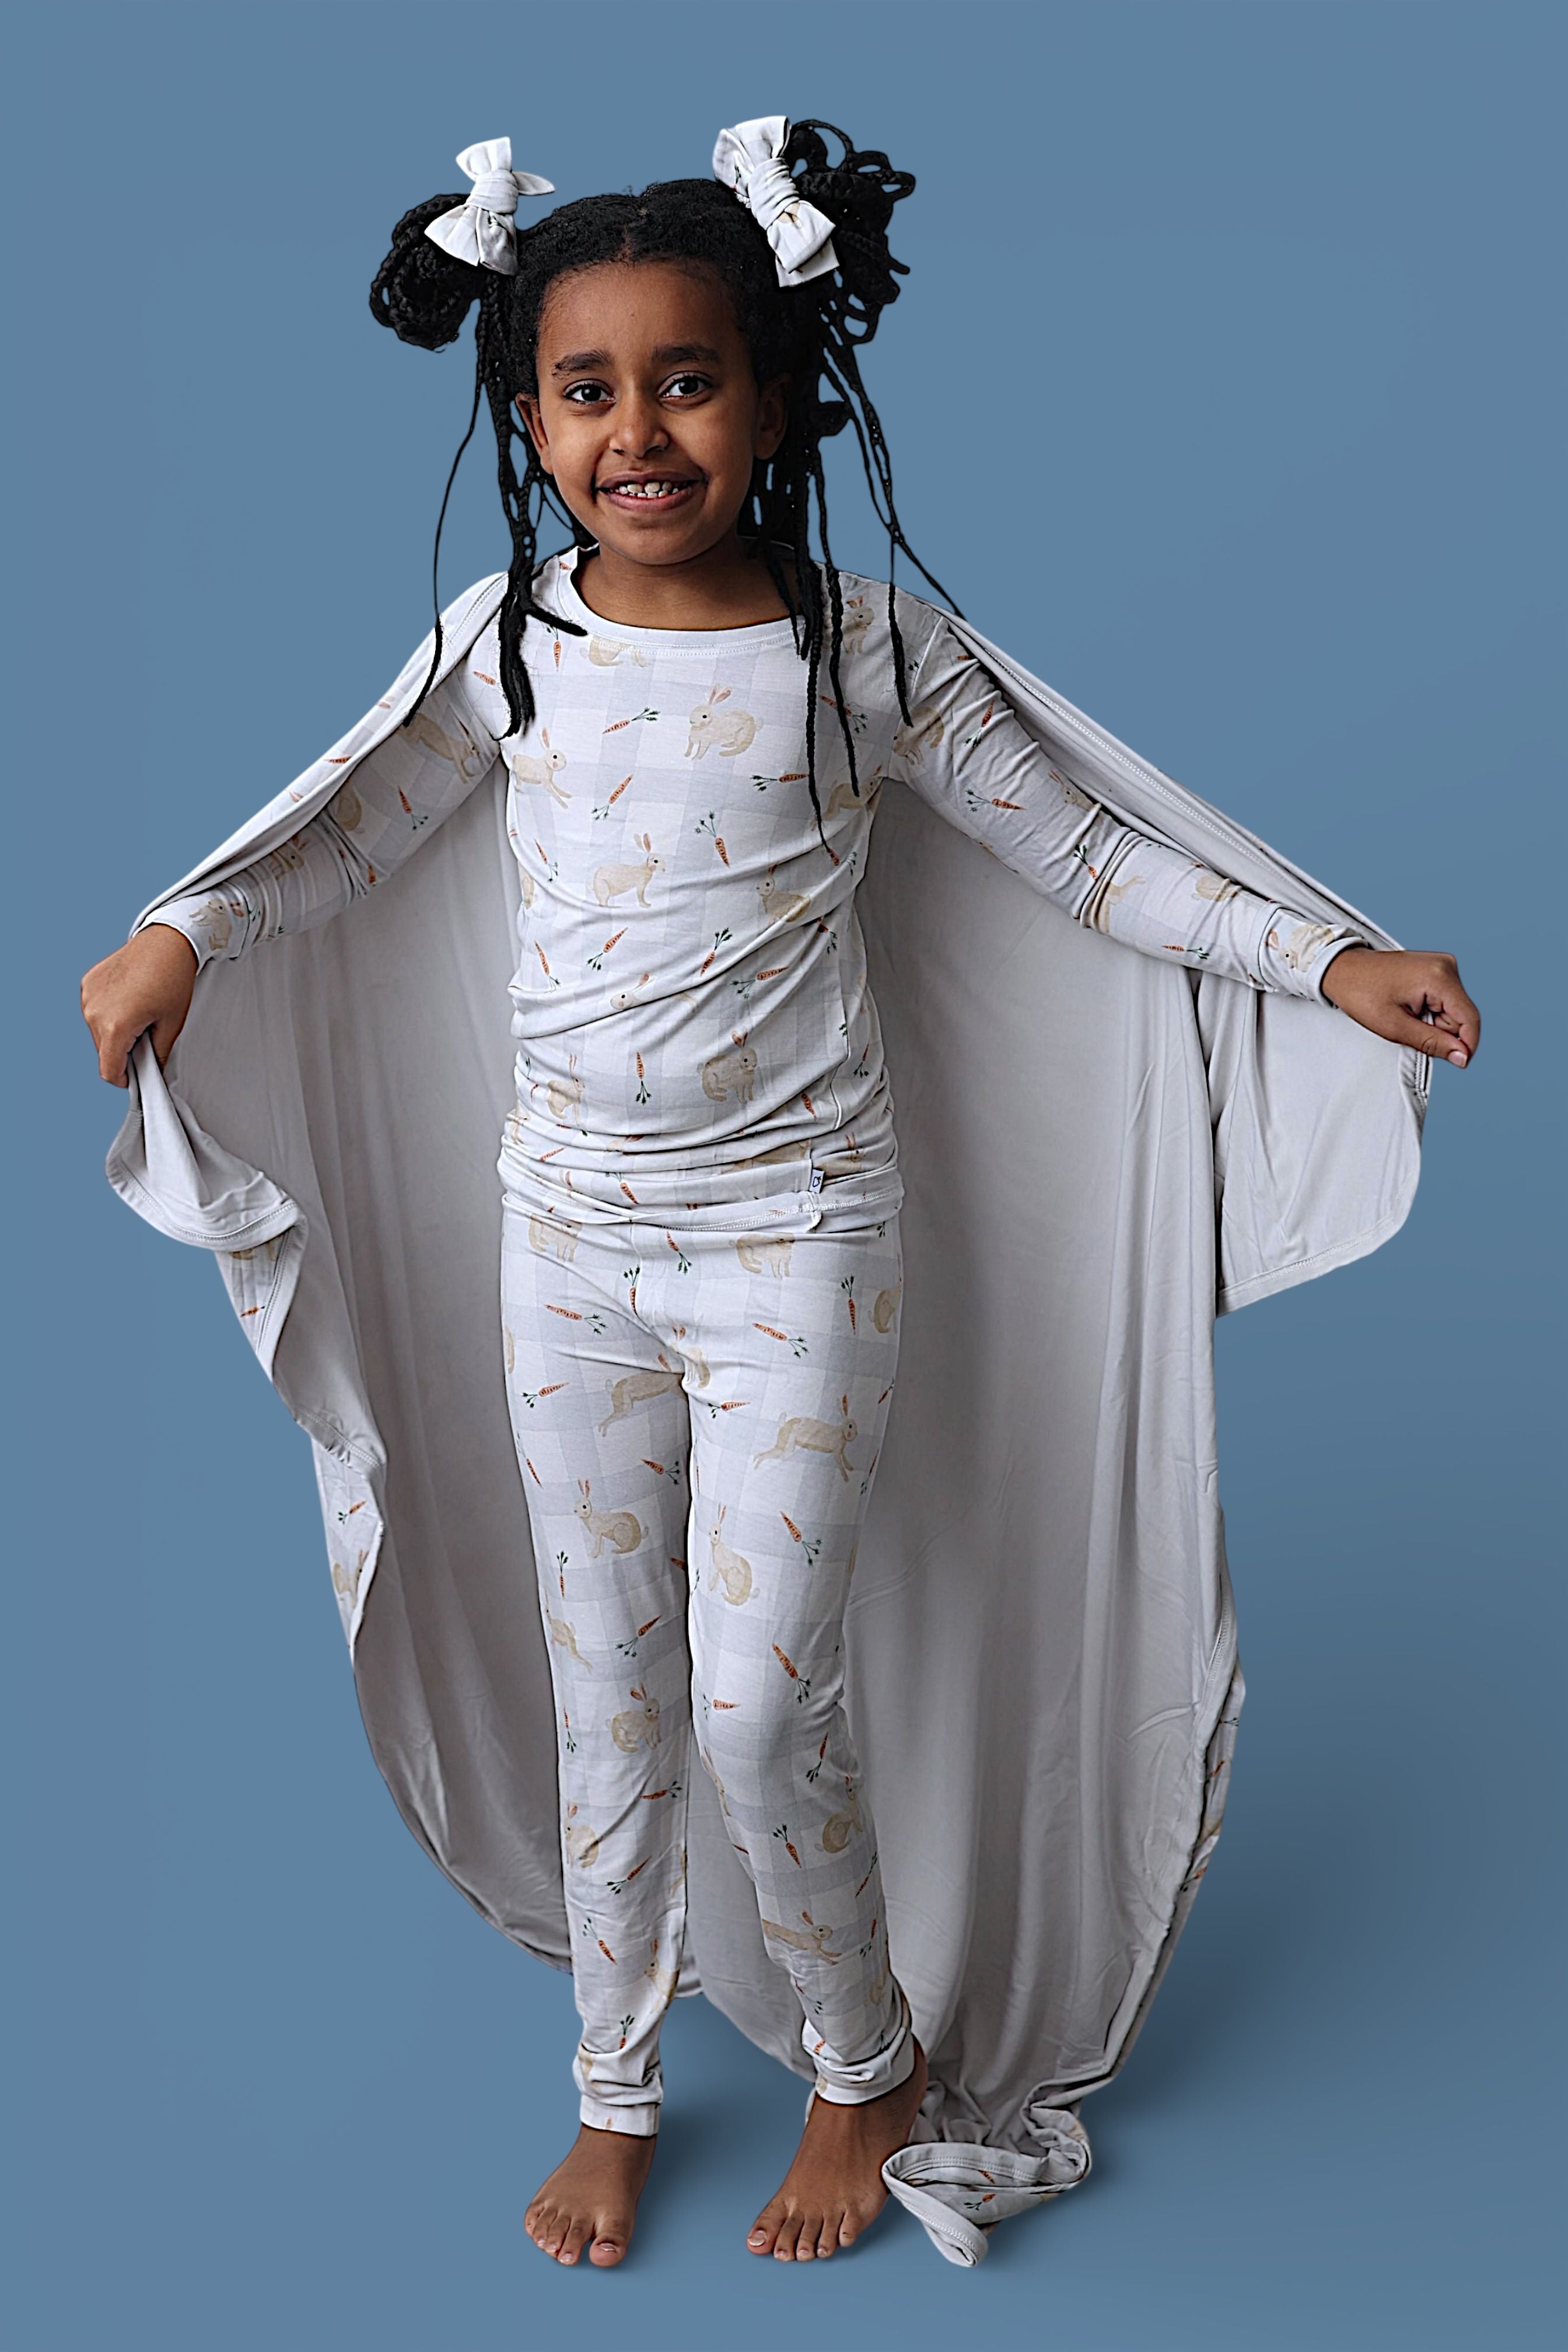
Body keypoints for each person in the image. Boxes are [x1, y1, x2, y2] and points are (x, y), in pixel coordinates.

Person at [80, 120, 1479, 2271]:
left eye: (688, 379)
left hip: (795, 1245)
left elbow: (1085, 850)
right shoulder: (509, 649)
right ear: (526, 417)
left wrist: (1324, 960)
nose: (638, 431)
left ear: (778, 398)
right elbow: (349, 827)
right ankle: (614, 2089)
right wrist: (192, 928)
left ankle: (862, 2062)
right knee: (607, 1692)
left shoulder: (862, 657)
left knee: (755, 1703)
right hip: (568, 1243)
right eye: (587, 389)